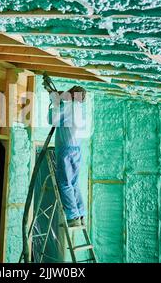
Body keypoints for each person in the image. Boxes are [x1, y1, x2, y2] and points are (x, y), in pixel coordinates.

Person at [47, 85, 87, 227]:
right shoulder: (79, 108)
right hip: (76, 149)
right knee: (73, 183)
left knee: (64, 184)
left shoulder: (69, 107)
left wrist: (54, 100)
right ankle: (80, 214)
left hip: (66, 149)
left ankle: (72, 217)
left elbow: (52, 119)